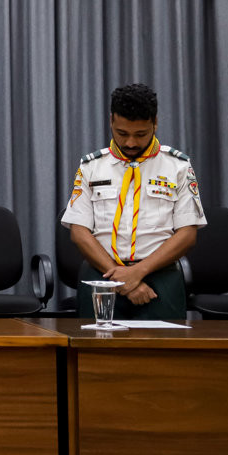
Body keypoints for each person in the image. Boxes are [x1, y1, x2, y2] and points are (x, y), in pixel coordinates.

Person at [62, 83, 205, 320]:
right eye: (122, 133)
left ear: (155, 123)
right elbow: (79, 232)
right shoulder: (91, 166)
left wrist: (138, 272)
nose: (130, 143)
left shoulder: (178, 166)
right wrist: (122, 278)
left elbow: (187, 234)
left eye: (140, 134)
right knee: (95, 354)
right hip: (102, 275)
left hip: (160, 277)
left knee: (161, 354)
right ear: (111, 121)